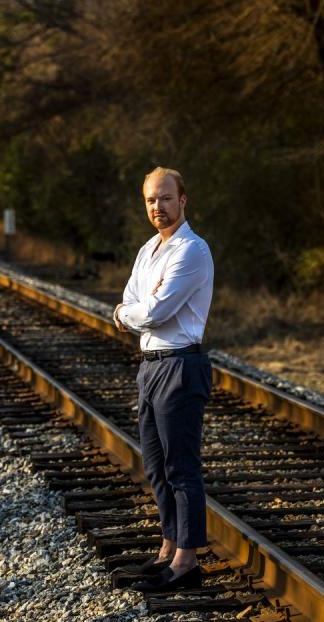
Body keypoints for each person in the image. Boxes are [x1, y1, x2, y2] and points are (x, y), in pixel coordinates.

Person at [113, 166, 214, 593]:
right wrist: (134, 308)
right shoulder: (147, 251)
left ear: (183, 200)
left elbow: (152, 312)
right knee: (155, 465)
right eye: (151, 200)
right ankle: (167, 548)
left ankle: (187, 562)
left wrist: (126, 315)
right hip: (151, 366)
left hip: (180, 365)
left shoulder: (192, 250)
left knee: (180, 466)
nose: (158, 206)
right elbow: (133, 299)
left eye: (166, 198)